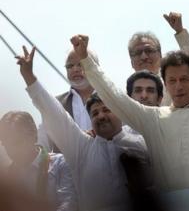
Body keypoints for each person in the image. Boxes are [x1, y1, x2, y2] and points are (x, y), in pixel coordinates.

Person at [70, 34, 189, 191]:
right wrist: (86, 60)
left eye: (184, 79)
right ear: (165, 84)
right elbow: (115, 97)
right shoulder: (153, 119)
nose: (179, 86)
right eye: (172, 81)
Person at [15, 46, 148, 211]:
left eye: (106, 110)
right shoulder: (82, 148)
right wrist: (30, 78)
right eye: (94, 113)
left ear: (120, 111)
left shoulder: (140, 142)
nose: (100, 116)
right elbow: (53, 114)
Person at [0, 111, 77, 211]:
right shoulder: (7, 178)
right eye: (6, 143)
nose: (12, 149)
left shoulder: (60, 164)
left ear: (34, 135)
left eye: (17, 142)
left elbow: (69, 204)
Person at [37, 50, 97, 152]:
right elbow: (42, 147)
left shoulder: (110, 100)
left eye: (80, 64)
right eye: (70, 66)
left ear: (94, 67)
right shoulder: (54, 104)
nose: (75, 69)